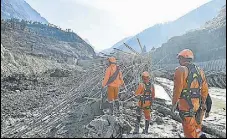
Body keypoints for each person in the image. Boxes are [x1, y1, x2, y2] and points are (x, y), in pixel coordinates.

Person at [172, 49, 208, 138]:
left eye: (179, 58)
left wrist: (174, 104)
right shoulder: (200, 71)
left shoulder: (180, 70)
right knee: (196, 126)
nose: (178, 60)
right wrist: (203, 103)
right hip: (198, 105)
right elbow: (205, 90)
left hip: (186, 105)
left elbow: (177, 89)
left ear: (182, 58)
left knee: (189, 132)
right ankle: (200, 136)